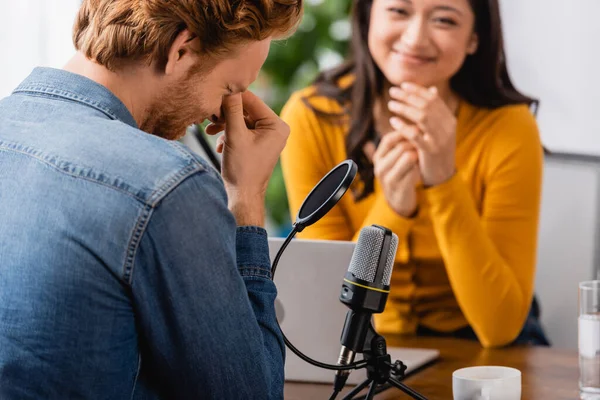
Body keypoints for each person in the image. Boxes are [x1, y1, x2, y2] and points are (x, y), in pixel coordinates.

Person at [0, 0, 302, 399]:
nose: (218, 112)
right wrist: (246, 197)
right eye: (229, 90)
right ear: (181, 49)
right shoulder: (165, 185)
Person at [281, 0, 549, 348]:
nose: (415, 37)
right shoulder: (311, 118)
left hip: (482, 343)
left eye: (444, 19)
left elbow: (499, 327)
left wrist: (443, 181)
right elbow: (328, 303)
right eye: (398, 11)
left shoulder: (510, 128)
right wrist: (394, 210)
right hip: (362, 340)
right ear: (366, 19)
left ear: (474, 38)